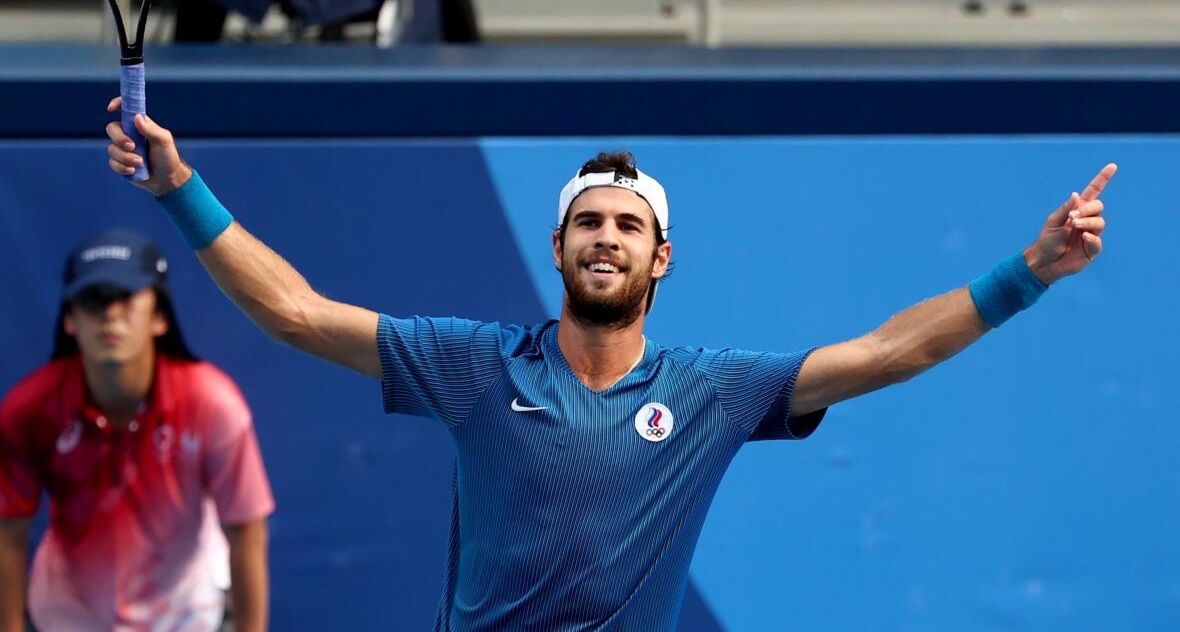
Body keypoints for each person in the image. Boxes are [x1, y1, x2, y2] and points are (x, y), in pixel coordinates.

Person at [101, 103, 1112, 631]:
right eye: (587, 222)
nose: (606, 237)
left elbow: (890, 351)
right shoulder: (471, 365)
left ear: (659, 257)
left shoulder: (712, 393)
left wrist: (1031, 271)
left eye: (629, 225)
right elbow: (295, 312)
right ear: (558, 247)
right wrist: (179, 186)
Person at [0, 229, 275, 632]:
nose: (110, 314)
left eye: (125, 298)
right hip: (65, 619)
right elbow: (8, 533)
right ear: (70, 320)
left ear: (160, 317)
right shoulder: (29, 410)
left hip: (187, 619)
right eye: (93, 301)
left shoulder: (213, 404)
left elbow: (247, 530)